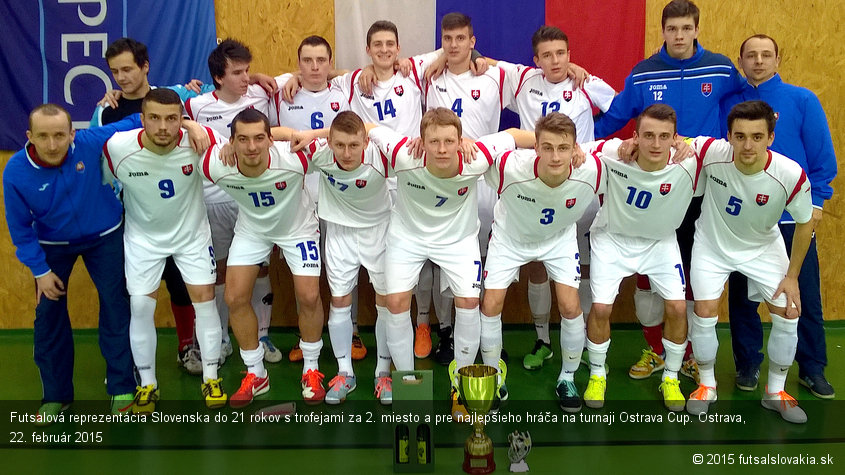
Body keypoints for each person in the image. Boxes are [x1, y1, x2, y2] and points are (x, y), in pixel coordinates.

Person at [593, 0, 744, 385]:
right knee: (647, 275)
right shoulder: (644, 72)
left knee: (692, 274)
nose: (679, 35)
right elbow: (616, 115)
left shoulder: (722, 69)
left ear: (696, 29)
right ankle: (654, 350)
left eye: (686, 28)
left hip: (698, 191)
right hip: (651, 192)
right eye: (672, 28)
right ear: (663, 31)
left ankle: (688, 355)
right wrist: (579, 142)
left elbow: (742, 117)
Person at [368, 107, 529, 420]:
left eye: (448, 141)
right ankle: (408, 385)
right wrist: (306, 137)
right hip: (408, 237)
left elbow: (513, 136)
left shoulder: (476, 156)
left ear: (460, 140)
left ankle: (462, 385)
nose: (442, 149)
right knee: (396, 301)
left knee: (469, 302)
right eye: (434, 141)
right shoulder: (403, 153)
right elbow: (368, 125)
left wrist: (572, 147)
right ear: (422, 141)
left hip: (457, 239)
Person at [487, 25, 615, 370]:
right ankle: (542, 339)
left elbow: (619, 110)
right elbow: (479, 63)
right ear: (536, 60)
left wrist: (585, 151)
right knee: (536, 268)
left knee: (583, 268)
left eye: (561, 53)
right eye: (547, 54)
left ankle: (587, 342)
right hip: (538, 183)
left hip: (580, 187)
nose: (555, 60)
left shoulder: (587, 84)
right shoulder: (524, 80)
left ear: (570, 55)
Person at [3, 105, 140, 422]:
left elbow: (138, 118)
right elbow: (21, 231)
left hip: (105, 235)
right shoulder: (15, 171)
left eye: (60, 135)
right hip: (51, 246)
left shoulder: (91, 142)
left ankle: (121, 388)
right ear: (30, 136)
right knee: (48, 315)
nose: (52, 145)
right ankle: (56, 396)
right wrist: (41, 271)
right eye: (43, 136)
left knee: (116, 306)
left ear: (72, 134)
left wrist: (189, 107)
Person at [720, 34, 837, 398]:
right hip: (744, 221)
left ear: (778, 59)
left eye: (766, 55)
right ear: (740, 61)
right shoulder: (729, 102)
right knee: (743, 298)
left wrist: (812, 211)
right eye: (750, 55)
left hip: (791, 221)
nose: (758, 61)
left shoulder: (802, 100)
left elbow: (822, 164)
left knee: (802, 296)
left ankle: (812, 368)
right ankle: (748, 363)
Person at [686, 100, 814, 424]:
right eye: (739, 136)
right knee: (704, 312)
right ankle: (706, 385)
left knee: (789, 312)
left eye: (757, 137)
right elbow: (677, 142)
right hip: (712, 245)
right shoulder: (711, 152)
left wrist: (793, 276)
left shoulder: (790, 175)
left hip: (761, 246)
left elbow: (805, 223)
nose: (747, 145)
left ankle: (775, 393)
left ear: (770, 137)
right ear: (728, 135)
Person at [103, 89, 226, 412]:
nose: (162, 126)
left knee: (205, 302)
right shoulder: (118, 147)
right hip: (143, 240)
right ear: (141, 120)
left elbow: (229, 149)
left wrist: (195, 127)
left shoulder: (199, 140)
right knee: (141, 308)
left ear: (181, 120)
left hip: (191, 237)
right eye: (154, 118)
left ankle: (211, 377)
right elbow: (103, 181)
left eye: (172, 119)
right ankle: (147, 384)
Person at [92, 37, 207, 375]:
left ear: (145, 66)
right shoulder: (107, 109)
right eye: (115, 72)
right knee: (137, 292)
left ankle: (188, 345)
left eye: (128, 69)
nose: (122, 77)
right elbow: (100, 156)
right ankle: (136, 364)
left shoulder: (179, 95)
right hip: (134, 215)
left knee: (180, 283)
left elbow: (223, 92)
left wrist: (189, 122)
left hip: (181, 213)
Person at [200, 109, 326, 406]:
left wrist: (309, 134)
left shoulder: (295, 157)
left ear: (271, 140)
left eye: (259, 138)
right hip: (252, 230)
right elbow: (183, 133)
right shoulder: (217, 164)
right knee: (234, 297)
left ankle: (311, 368)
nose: (252, 146)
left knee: (308, 296)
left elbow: (343, 134)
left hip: (298, 229)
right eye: (243, 139)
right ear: (231, 142)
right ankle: (256, 372)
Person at [477, 112, 600, 413]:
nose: (555, 156)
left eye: (563, 148)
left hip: (558, 239)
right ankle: (492, 379)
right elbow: (479, 149)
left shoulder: (591, 169)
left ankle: (567, 378)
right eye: (547, 147)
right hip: (510, 238)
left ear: (575, 149)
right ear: (535, 147)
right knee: (491, 303)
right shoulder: (510, 166)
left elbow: (621, 149)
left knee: (571, 306)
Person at [583, 105, 700, 412]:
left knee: (676, 307)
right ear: (635, 137)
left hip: (659, 243)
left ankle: (671, 378)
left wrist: (686, 143)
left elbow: (725, 147)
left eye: (664, 137)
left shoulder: (690, 160)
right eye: (648, 135)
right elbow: (577, 150)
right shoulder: (613, 153)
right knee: (600, 308)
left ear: (675, 138)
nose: (656, 144)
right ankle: (597, 374)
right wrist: (614, 145)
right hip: (612, 240)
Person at [185, 39, 282, 366]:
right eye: (237, 72)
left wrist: (259, 78)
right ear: (218, 77)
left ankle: (263, 334)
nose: (246, 78)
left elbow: (307, 77)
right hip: (213, 201)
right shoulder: (196, 105)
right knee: (223, 272)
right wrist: (188, 124)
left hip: (254, 200)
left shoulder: (261, 93)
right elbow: (157, 102)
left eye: (247, 71)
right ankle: (224, 338)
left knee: (262, 267)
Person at [272, 36, 361, 363]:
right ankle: (305, 333)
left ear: (329, 62)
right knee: (305, 271)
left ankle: (352, 331)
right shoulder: (282, 93)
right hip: (297, 194)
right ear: (298, 64)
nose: (313, 67)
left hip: (339, 192)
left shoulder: (345, 90)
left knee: (346, 265)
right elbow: (266, 125)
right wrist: (289, 80)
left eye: (320, 60)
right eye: (306, 60)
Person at [297, 111, 395, 405]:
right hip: (339, 233)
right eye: (339, 145)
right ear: (329, 141)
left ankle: (383, 373)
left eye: (354, 145)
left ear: (366, 141)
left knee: (386, 302)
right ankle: (345, 373)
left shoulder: (382, 156)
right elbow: (283, 136)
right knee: (339, 301)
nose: (347, 153)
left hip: (379, 231)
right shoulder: (321, 154)